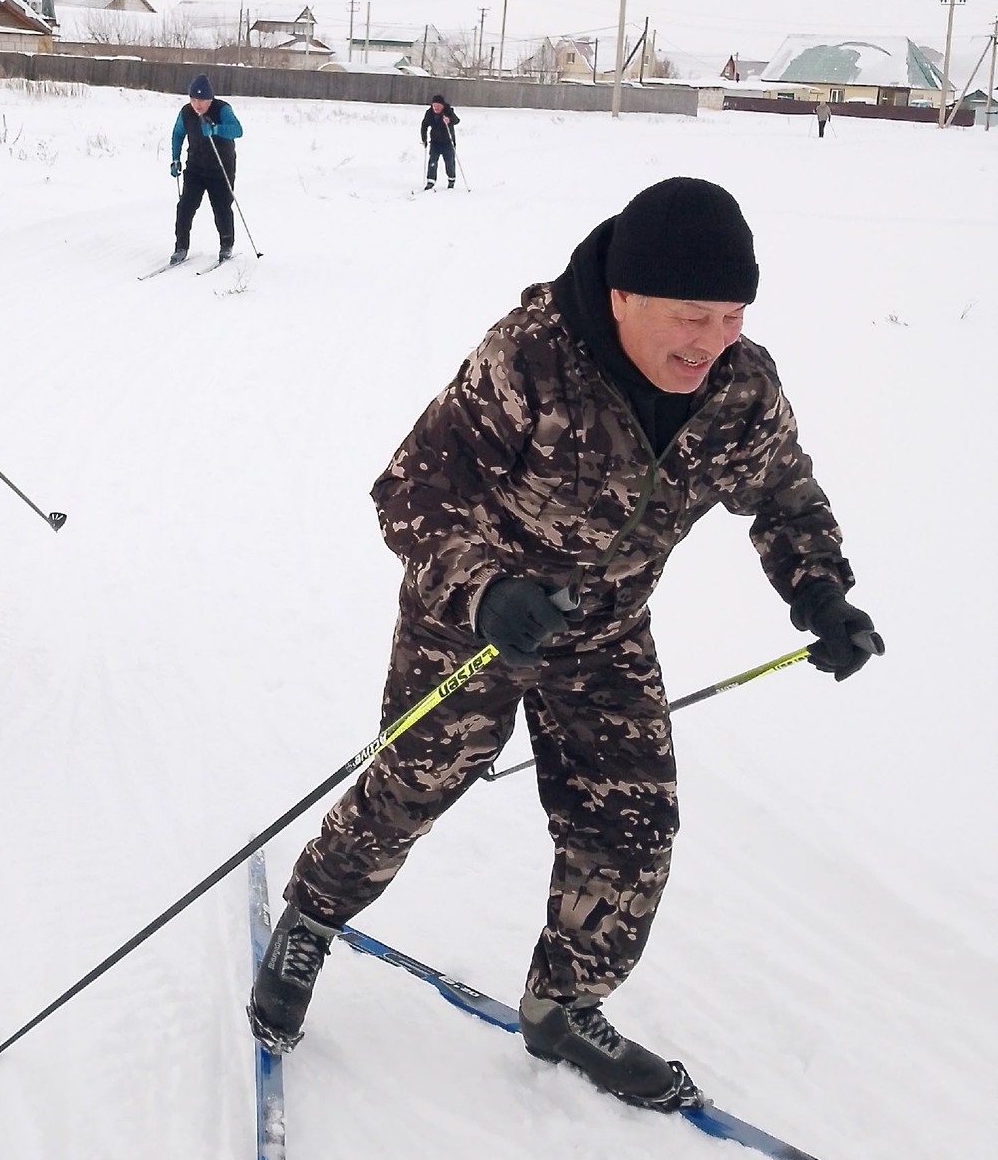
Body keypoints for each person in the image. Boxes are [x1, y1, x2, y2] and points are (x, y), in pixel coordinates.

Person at [247, 177, 883, 1107]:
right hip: (472, 623)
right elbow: (409, 491)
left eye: (733, 314)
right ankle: (312, 916)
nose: (711, 341)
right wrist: (487, 589)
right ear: (625, 296)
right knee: (410, 791)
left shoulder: (741, 388)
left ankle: (563, 1002)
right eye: (691, 314)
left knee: (631, 829)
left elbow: (784, 493)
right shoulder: (530, 360)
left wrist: (821, 590)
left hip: (608, 634)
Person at [168, 74, 243, 265]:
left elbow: (237, 130)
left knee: (221, 208)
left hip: (221, 168)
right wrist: (175, 159)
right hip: (195, 167)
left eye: (201, 100)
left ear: (210, 98)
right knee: (185, 207)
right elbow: (177, 134)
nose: (197, 104)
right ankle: (181, 247)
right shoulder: (186, 112)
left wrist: (216, 129)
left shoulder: (222, 110)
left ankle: (226, 245)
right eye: (193, 99)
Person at [420, 94, 459, 189]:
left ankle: (451, 180)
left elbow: (457, 120)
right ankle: (430, 181)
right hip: (435, 142)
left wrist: (449, 120)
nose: (436, 108)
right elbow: (424, 125)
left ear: (442, 106)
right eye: (434, 105)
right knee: (432, 161)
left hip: (448, 143)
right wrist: (424, 139)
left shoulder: (448, 111)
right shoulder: (429, 113)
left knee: (449, 163)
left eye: (438, 106)